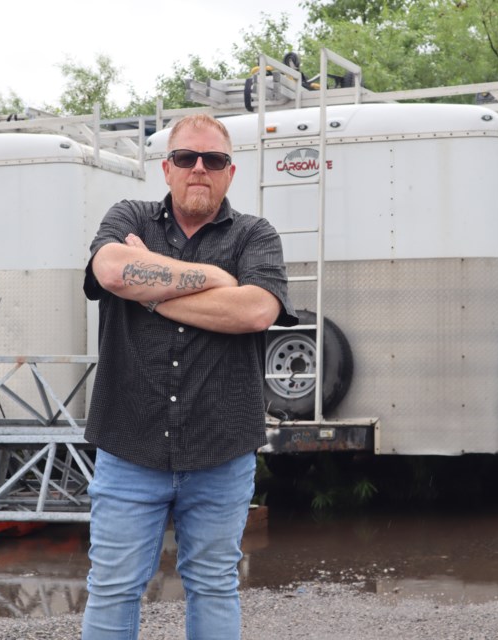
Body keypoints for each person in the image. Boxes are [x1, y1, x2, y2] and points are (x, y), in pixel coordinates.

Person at [80, 112, 298, 640]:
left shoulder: (255, 235)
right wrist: (214, 281)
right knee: (112, 588)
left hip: (220, 452)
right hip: (129, 446)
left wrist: (149, 294)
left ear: (230, 172)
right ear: (167, 168)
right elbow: (110, 271)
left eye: (214, 159)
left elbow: (254, 312)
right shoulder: (128, 215)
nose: (199, 168)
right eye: (186, 158)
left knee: (214, 586)